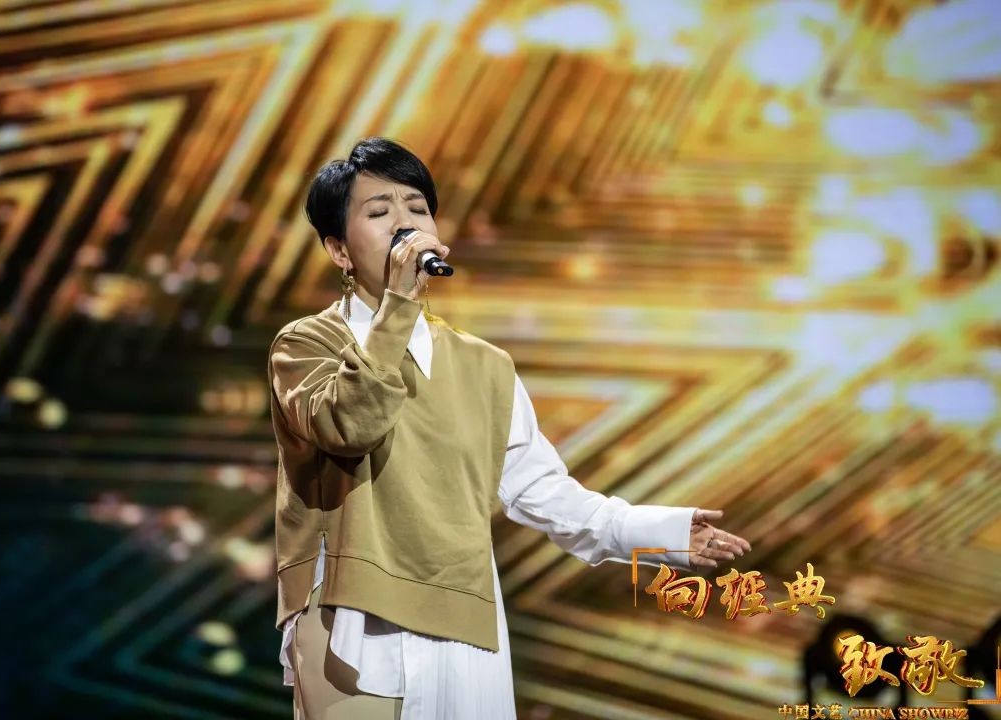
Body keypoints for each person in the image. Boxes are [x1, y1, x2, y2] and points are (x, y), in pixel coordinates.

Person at [267, 137, 752, 720]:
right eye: (379, 211)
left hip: (465, 620)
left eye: (417, 207)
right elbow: (349, 425)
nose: (404, 223)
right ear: (339, 250)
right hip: (352, 620)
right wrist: (397, 308)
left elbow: (540, 490)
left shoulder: (485, 365)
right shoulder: (307, 344)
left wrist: (658, 532)